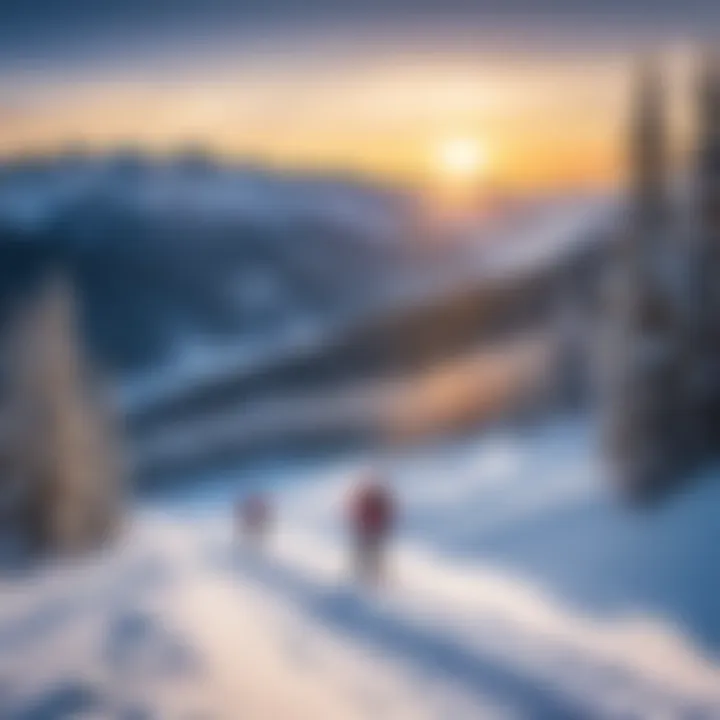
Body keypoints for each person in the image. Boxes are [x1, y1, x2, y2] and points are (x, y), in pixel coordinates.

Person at [347, 472, 396, 585]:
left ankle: (374, 575)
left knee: (374, 553)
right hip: (368, 530)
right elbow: (359, 513)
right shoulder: (370, 499)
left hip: (372, 530)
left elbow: (385, 515)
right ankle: (363, 575)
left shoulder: (376, 500)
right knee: (367, 553)